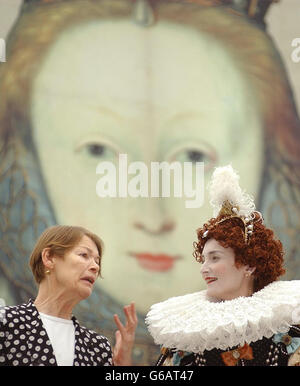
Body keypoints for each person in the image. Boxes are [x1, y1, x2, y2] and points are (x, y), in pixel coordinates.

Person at [0, 0, 300, 364]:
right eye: (98, 149)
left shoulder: (288, 339)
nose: (152, 217)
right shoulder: (180, 350)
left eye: (193, 155)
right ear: (26, 161)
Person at [146, 165, 300, 366]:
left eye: (215, 258)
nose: (204, 268)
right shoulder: (188, 340)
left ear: (250, 265)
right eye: (203, 260)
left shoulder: (288, 334)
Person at [0, 225, 137, 366]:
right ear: (49, 258)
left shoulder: (98, 347)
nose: (95, 267)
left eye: (97, 261)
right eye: (84, 255)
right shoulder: (5, 324)